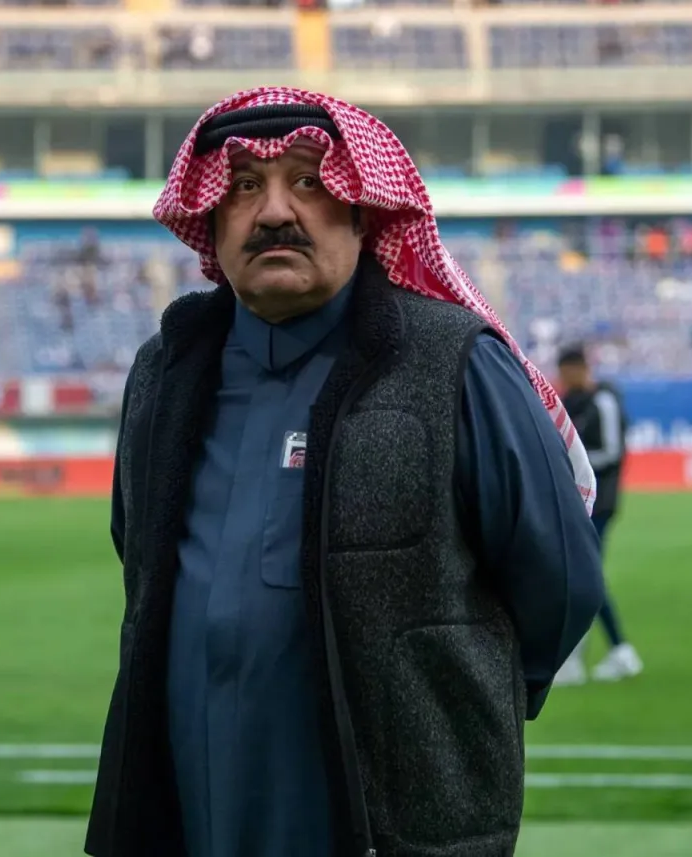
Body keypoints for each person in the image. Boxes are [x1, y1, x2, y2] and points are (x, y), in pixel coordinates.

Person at [85, 89, 605, 857]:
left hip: (390, 825)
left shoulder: (454, 363)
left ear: (363, 210)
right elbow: (137, 552)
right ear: (210, 218)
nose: (273, 212)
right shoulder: (165, 373)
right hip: (189, 810)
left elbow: (559, 581)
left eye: (309, 180)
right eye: (243, 186)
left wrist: (453, 708)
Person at [553, 345, 643, 685]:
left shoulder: (603, 401)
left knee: (585, 576)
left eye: (565, 373)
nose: (562, 379)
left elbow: (611, 451)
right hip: (578, 502)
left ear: (578, 368)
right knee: (581, 575)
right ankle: (593, 656)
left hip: (600, 500)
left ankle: (616, 652)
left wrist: (571, 461)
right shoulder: (574, 401)